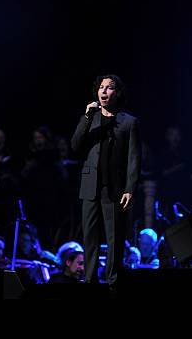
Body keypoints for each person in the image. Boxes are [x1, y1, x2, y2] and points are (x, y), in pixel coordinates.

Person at [71, 74, 141, 287]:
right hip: (91, 185)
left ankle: (113, 281)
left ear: (117, 92)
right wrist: (86, 117)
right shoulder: (91, 118)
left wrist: (130, 188)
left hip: (115, 188)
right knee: (90, 237)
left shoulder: (128, 122)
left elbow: (134, 159)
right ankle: (90, 279)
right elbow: (75, 146)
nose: (103, 91)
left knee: (114, 239)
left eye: (109, 88)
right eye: (101, 87)